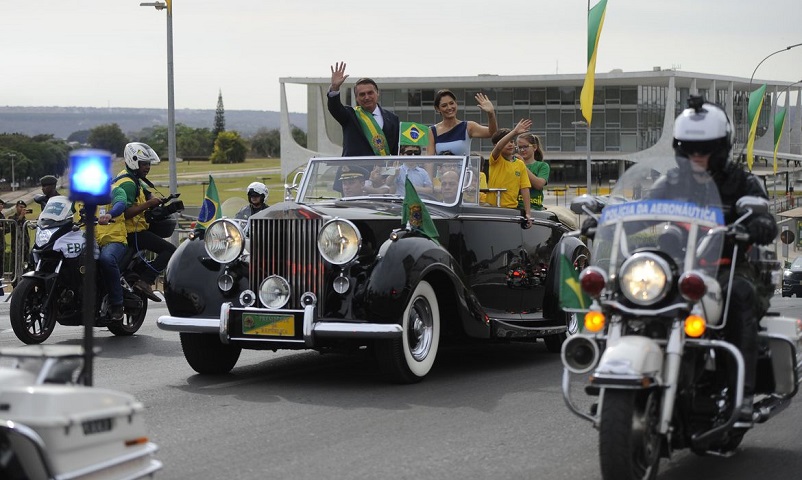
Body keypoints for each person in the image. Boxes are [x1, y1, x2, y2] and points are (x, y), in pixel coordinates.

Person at [651, 96, 777, 417]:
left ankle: (741, 396)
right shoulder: (670, 182)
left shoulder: (742, 181)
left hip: (729, 267)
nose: (697, 155)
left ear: (721, 147)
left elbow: (766, 220)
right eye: (690, 148)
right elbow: (642, 211)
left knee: (738, 296)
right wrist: (609, 214)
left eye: (705, 149)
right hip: (678, 267)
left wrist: (758, 225)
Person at [116, 142, 176, 301]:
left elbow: (145, 190)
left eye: (148, 164)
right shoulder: (128, 184)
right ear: (133, 161)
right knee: (169, 250)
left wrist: (153, 199)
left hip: (134, 231)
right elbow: (124, 213)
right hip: (132, 233)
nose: (147, 167)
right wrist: (148, 204)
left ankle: (137, 276)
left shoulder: (131, 177)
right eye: (143, 164)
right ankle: (146, 281)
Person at [327, 62, 400, 157]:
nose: (366, 97)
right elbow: (335, 108)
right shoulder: (350, 115)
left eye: (370, 93)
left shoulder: (392, 119)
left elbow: (396, 150)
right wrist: (334, 88)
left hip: (382, 170)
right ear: (356, 98)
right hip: (354, 170)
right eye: (362, 94)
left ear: (377, 93)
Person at [487, 119, 534, 224]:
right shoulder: (496, 159)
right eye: (506, 141)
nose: (510, 144)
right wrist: (514, 132)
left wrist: (528, 213)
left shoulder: (520, 164)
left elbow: (525, 188)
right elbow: (499, 147)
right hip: (492, 209)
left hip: (512, 210)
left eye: (512, 141)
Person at [426, 90, 497, 156]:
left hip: (464, 169)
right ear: (438, 109)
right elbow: (429, 161)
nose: (449, 107)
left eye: (451, 103)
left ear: (456, 103)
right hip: (442, 169)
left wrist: (491, 114)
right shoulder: (432, 131)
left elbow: (492, 133)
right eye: (444, 105)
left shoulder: (468, 126)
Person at [96, 182, 129, 321]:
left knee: (107, 259)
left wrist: (110, 214)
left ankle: (117, 304)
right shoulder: (82, 195)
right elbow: (68, 208)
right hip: (90, 239)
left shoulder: (116, 190)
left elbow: (120, 203)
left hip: (114, 239)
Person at [516, 133, 549, 211]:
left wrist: (522, 165)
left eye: (525, 147)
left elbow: (539, 185)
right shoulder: (514, 164)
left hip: (535, 208)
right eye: (519, 147)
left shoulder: (542, 166)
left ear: (534, 147)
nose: (522, 150)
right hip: (515, 207)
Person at [10, 200, 31, 274]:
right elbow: (13, 226)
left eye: (24, 208)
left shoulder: (24, 219)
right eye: (20, 207)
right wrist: (21, 216)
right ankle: (15, 283)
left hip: (25, 247)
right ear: (16, 207)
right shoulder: (12, 218)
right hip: (17, 247)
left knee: (25, 266)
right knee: (16, 266)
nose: (22, 209)